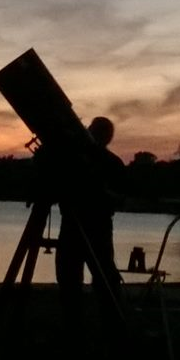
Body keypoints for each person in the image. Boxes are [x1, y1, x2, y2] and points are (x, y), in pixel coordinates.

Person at [54, 116, 127, 331]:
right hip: (73, 226)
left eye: (94, 131)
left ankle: (113, 327)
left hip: (97, 228)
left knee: (104, 279)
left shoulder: (112, 163)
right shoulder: (75, 158)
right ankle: (74, 327)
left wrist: (102, 192)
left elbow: (120, 199)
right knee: (68, 279)